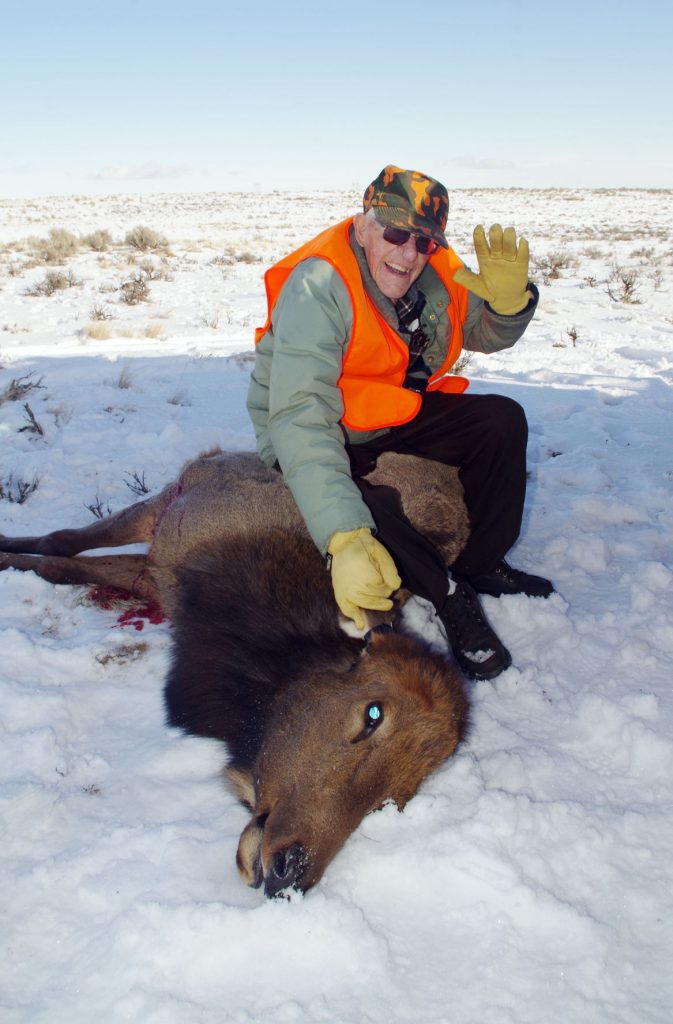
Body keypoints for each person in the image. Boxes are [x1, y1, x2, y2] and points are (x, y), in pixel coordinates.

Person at [247, 164, 553, 680]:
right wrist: (343, 536)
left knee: (502, 421)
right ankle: (447, 594)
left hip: (390, 409)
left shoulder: (433, 271)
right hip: (318, 421)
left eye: (425, 241)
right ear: (365, 225)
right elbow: (300, 413)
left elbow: (480, 332)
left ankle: (479, 563)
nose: (409, 253)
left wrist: (510, 306)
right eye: (395, 233)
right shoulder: (320, 284)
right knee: (363, 512)